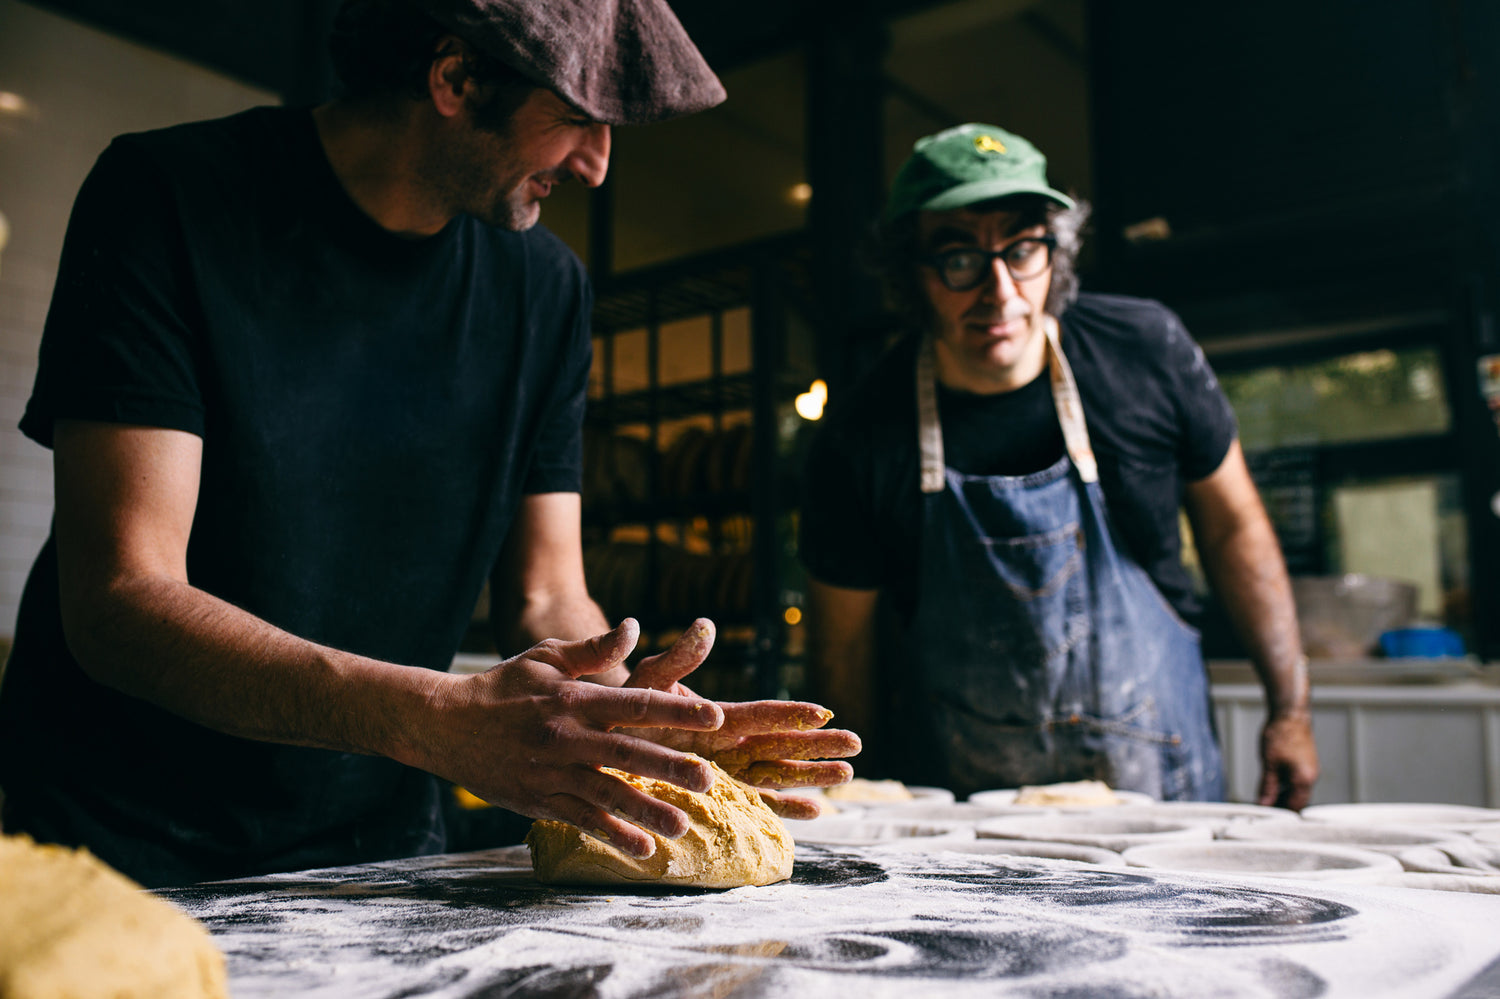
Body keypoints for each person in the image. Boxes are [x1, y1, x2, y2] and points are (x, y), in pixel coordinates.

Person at [0, 0, 857, 889]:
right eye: (577, 116)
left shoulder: (546, 292)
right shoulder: (168, 198)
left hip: (373, 852)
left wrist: (622, 708)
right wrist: (435, 716)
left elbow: (548, 590)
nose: (599, 166)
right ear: (454, 77)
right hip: (122, 840)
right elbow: (121, 596)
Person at [799, 123, 1316, 806]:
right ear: (912, 273)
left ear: (1057, 252)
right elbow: (843, 650)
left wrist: (1290, 710)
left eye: (1022, 248)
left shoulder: (1146, 352)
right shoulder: (860, 434)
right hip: (964, 833)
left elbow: (1233, 528)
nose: (1000, 290)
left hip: (1163, 805)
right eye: (958, 256)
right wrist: (849, 796)